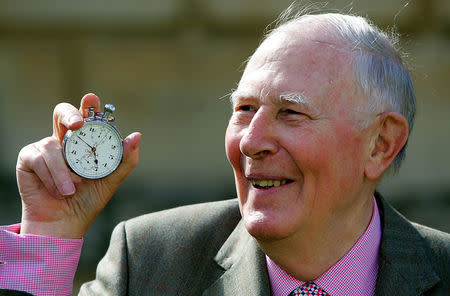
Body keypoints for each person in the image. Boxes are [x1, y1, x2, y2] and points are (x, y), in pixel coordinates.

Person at [0, 6, 449, 296]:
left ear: (381, 144)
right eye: (245, 109)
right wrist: (50, 232)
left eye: (291, 113)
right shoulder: (151, 265)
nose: (251, 141)